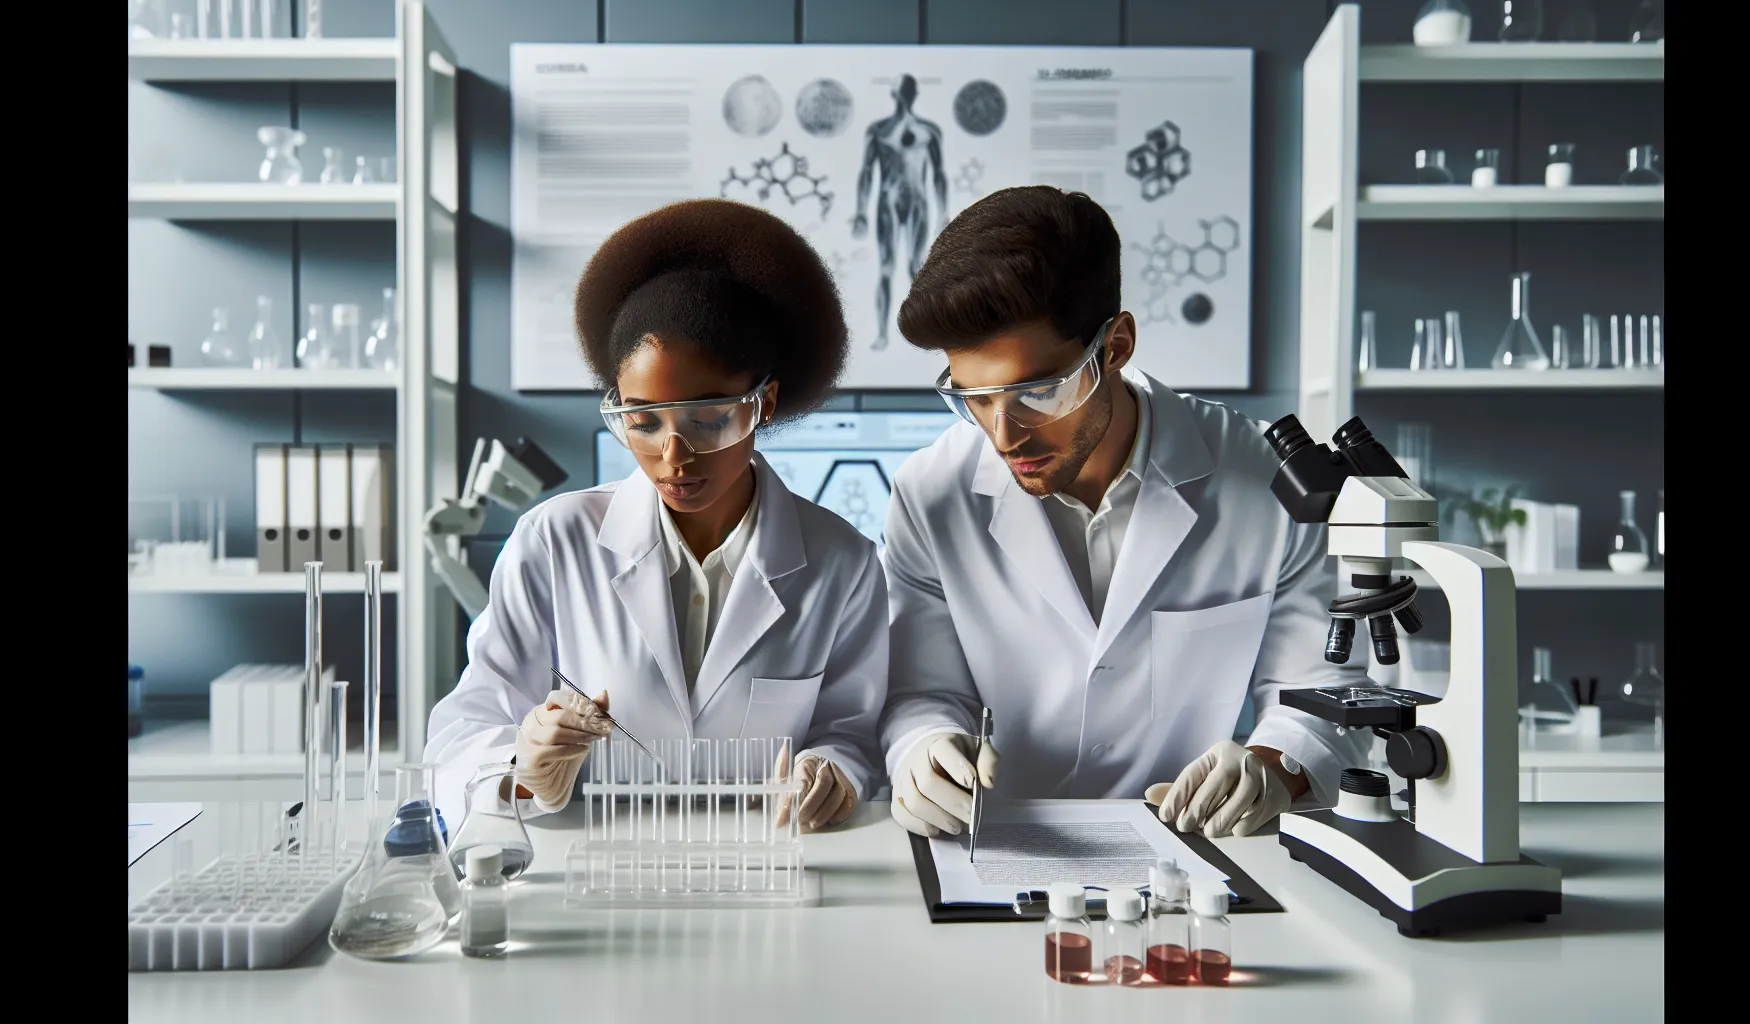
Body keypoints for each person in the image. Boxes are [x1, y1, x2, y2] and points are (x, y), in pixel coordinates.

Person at [878, 186, 1372, 841]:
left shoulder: (1269, 482)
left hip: (1194, 847)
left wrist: (1271, 769)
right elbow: (920, 690)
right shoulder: (928, 492)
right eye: (974, 398)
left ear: (1116, 345)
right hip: (1000, 846)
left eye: (1037, 392)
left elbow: (1322, 688)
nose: (1003, 435)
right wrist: (922, 748)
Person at [424, 199, 888, 834]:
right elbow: (462, 733)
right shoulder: (556, 541)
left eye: (706, 420)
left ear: (764, 404)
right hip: (593, 876)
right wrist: (520, 764)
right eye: (641, 422)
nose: (674, 456)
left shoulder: (843, 562)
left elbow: (852, 732)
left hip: (769, 872)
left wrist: (832, 769)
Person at [850, 73, 948, 352]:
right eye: (901, 90)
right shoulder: (878, 131)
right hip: (888, 201)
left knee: (917, 267)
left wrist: (943, 212)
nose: (905, 95)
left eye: (908, 90)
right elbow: (867, 173)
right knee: (886, 268)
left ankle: (926, 333)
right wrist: (860, 212)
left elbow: (939, 174)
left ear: (914, 93)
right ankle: (883, 333)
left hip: (918, 202)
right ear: (893, 94)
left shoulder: (929, 131)